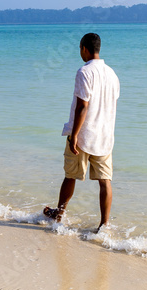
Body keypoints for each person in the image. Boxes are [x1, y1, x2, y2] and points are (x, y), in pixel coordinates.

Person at [44, 32, 120, 232]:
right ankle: (104, 225)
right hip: (104, 136)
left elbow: (82, 106)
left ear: (84, 49)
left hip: (84, 135)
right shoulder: (112, 74)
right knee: (105, 181)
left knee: (70, 176)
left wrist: (74, 135)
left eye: (80, 49)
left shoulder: (84, 72)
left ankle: (58, 215)